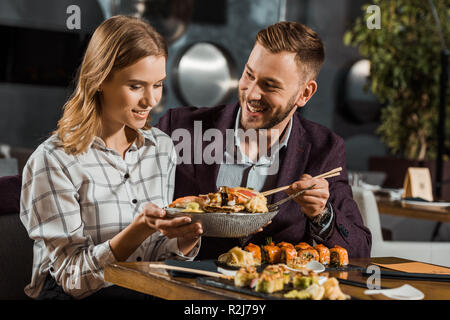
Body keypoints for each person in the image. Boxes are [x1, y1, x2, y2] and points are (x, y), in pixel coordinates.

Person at [19, 15, 202, 300]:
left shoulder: (161, 148)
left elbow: (154, 256)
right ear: (100, 80)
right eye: (136, 86)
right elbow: (72, 279)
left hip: (140, 287)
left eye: (158, 85)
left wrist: (184, 242)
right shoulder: (54, 160)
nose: (151, 101)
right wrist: (138, 229)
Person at [157, 21, 371, 260]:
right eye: (249, 75)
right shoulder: (179, 127)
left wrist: (322, 214)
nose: (252, 93)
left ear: (305, 94)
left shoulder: (325, 149)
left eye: (270, 86)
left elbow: (360, 250)